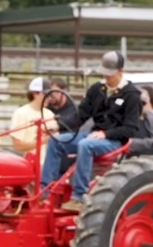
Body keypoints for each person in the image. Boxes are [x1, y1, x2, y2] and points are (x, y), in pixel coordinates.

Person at [40, 52, 145, 211]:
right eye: (105, 73)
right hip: (93, 135)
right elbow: (81, 115)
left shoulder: (132, 95)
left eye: (110, 74)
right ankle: (46, 190)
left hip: (114, 141)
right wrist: (58, 126)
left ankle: (79, 197)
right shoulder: (97, 89)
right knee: (56, 141)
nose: (107, 77)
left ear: (121, 71)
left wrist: (106, 134)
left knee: (85, 144)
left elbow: (130, 129)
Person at [9, 77, 57, 155]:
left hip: (47, 162)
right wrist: (44, 140)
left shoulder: (50, 114)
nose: (48, 98)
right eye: (45, 94)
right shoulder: (21, 113)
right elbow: (18, 145)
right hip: (28, 162)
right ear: (35, 94)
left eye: (49, 94)